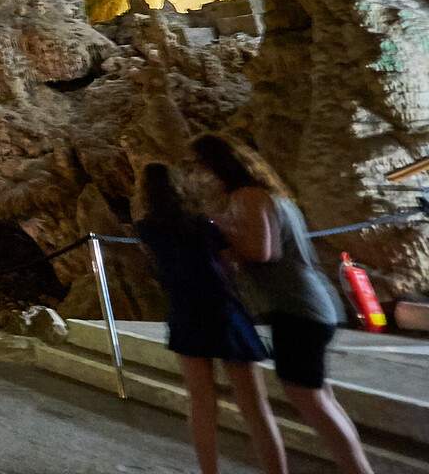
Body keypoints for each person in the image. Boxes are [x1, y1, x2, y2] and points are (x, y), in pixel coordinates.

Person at [193, 134, 375, 474]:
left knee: (311, 400)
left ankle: (358, 470)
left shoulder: (248, 196)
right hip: (309, 305)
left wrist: (219, 229)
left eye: (199, 167)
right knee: (321, 398)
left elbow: (264, 251)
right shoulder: (273, 195)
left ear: (214, 167)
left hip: (297, 307)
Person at [134, 162, 284, 474]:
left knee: (202, 404)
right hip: (222, 309)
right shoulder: (203, 224)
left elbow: (157, 265)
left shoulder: (148, 229)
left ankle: (209, 471)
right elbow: (229, 264)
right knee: (254, 407)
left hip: (186, 311)